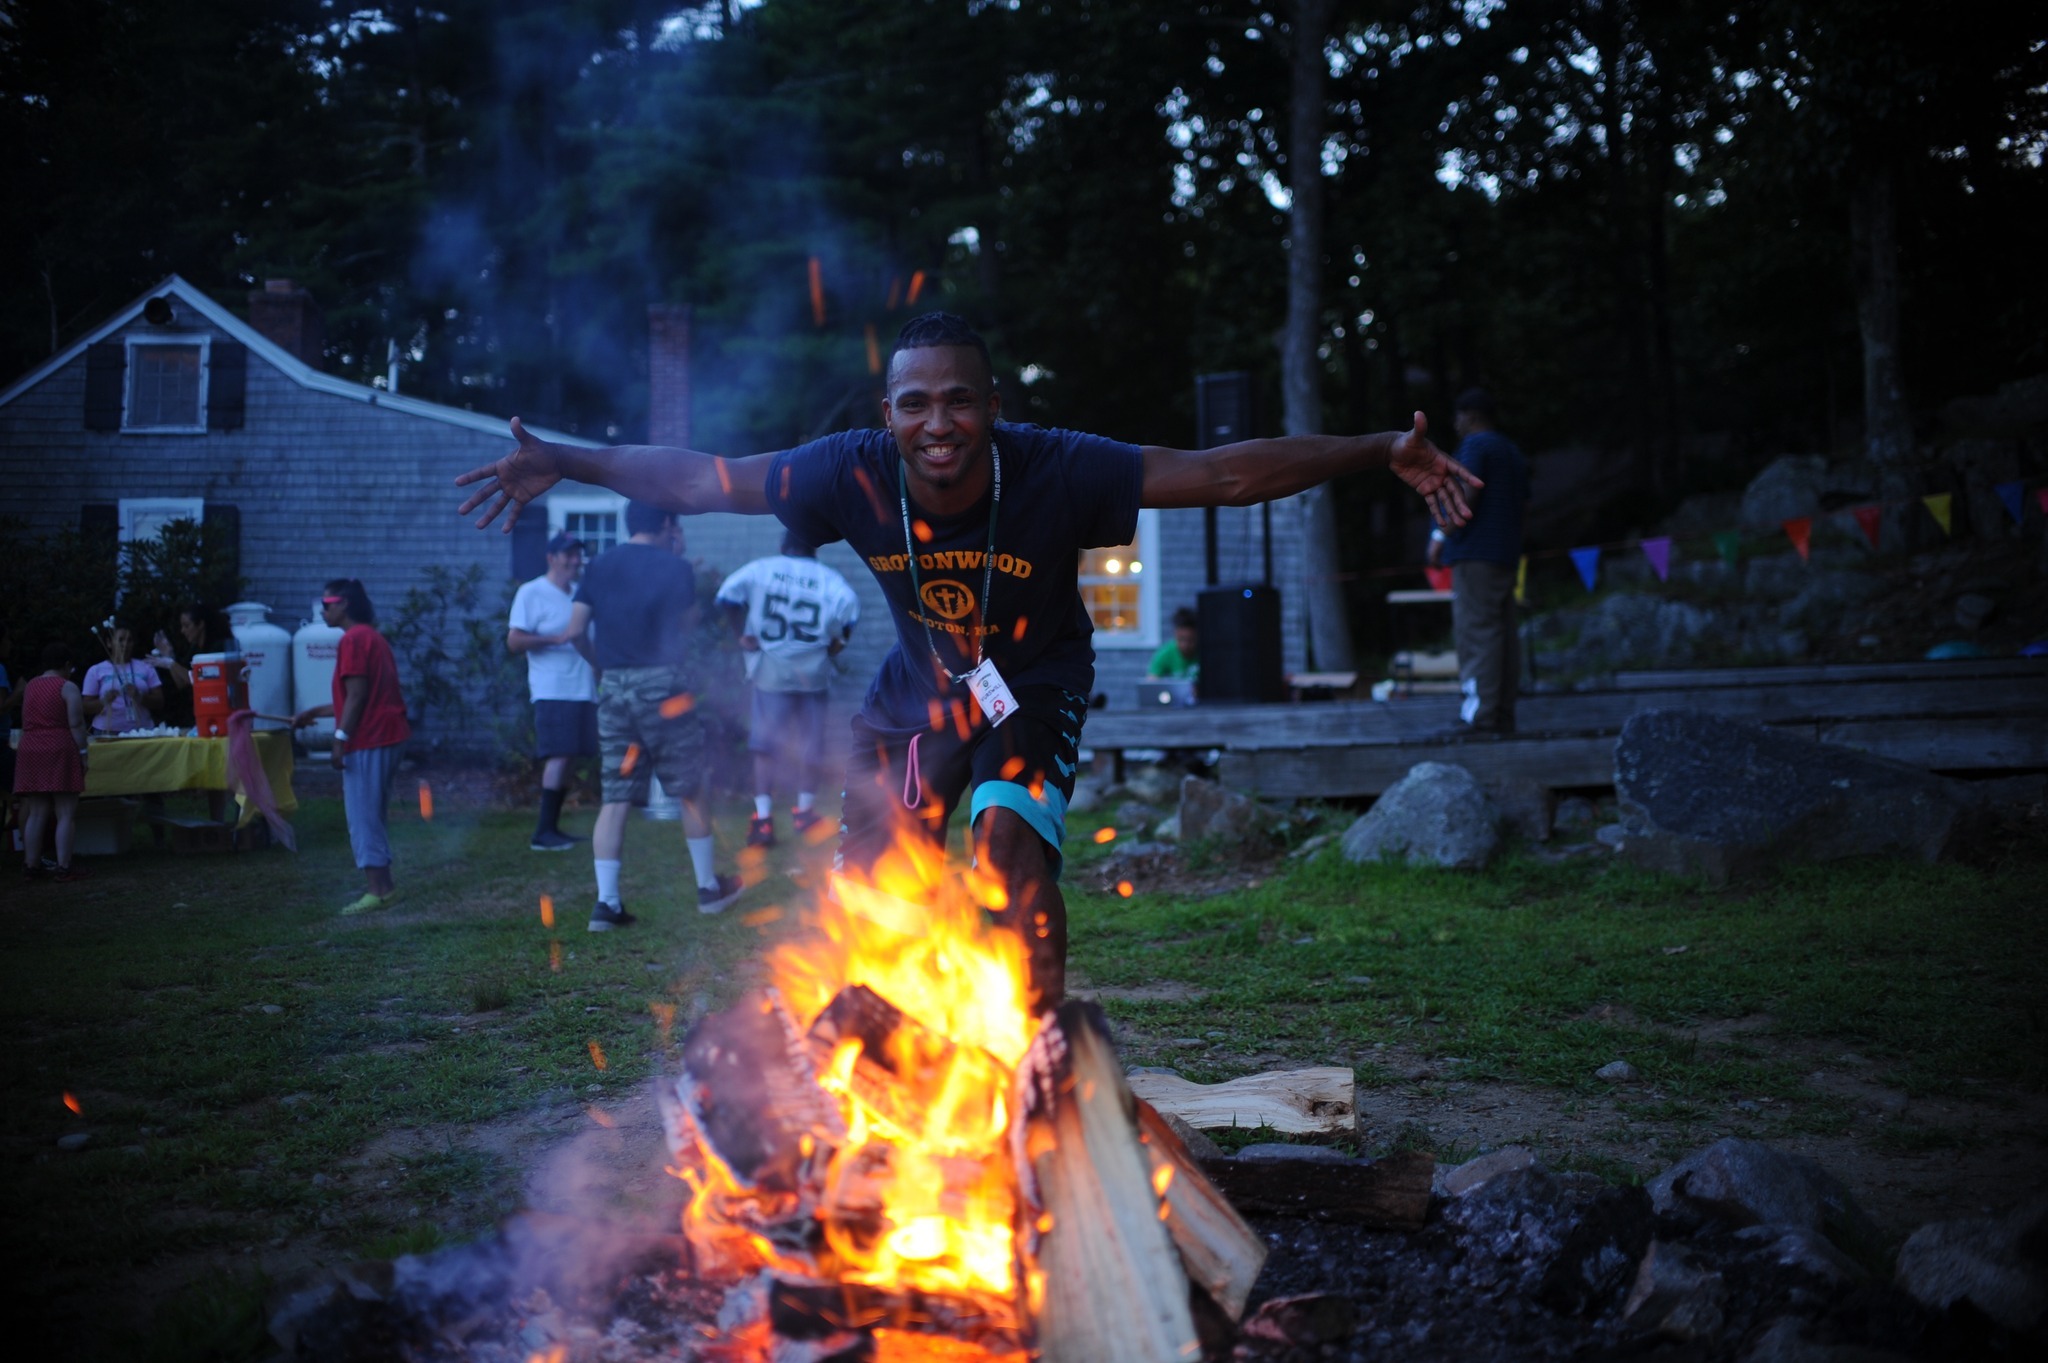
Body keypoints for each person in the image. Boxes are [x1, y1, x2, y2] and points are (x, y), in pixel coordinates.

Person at [456, 312, 1477, 1003]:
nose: (936, 422)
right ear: (886, 414)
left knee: (1005, 856)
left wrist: (1377, 447)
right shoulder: (846, 473)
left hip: (1030, 692)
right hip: (913, 701)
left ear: (990, 407)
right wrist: (564, 455)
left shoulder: (1059, 468)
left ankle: (1032, 1055)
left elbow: (1219, 473)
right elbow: (695, 479)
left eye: (958, 400)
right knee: (879, 881)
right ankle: (894, 1071)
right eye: (913, 403)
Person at [561, 502, 742, 930]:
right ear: (666, 524)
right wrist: (678, 560)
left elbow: (573, 631)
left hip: (616, 689)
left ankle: (606, 904)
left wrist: (599, 665)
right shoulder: (673, 566)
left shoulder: (599, 565)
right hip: (663, 688)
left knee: (616, 795)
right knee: (690, 786)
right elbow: (688, 624)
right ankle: (708, 889)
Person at [715, 532, 861, 847]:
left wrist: (742, 633)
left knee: (765, 746)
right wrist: (838, 643)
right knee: (811, 743)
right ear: (813, 548)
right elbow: (850, 610)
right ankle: (804, 813)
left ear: (783, 546)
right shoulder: (827, 578)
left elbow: (727, 595)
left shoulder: (762, 569)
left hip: (772, 668)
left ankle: (764, 820)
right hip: (813, 670)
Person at [291, 580, 411, 914]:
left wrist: (340, 739)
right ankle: (384, 887)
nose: (323, 609)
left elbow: (357, 696)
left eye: (327, 603)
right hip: (388, 733)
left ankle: (379, 891)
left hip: (370, 737)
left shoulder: (354, 639)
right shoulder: (371, 636)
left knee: (363, 815)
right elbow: (360, 696)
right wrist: (314, 713)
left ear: (343, 603)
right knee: (371, 813)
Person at [1426, 388, 1529, 738]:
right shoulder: (1511, 452)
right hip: (1505, 554)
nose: (1456, 424)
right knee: (1502, 636)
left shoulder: (1476, 447)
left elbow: (1464, 494)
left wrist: (1441, 536)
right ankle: (1502, 715)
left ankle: (1479, 718)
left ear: (1470, 415)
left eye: (1458, 416)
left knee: (1476, 635)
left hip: (1474, 555)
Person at [507, 532, 597, 852]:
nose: (574, 560)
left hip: (583, 688)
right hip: (553, 688)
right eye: (567, 554)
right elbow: (514, 641)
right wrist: (556, 639)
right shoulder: (532, 592)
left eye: (577, 554)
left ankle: (553, 829)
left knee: (569, 757)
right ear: (551, 558)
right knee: (558, 756)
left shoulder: (578, 594)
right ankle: (542, 832)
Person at [15, 642, 90, 882]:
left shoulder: (31, 687)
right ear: (67, 665)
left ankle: (31, 865)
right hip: (59, 747)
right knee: (65, 811)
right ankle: (64, 867)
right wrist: (83, 752)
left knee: (37, 811)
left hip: (30, 748)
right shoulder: (67, 687)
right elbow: (76, 724)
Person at [145, 604, 230, 727]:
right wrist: (170, 656)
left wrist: (170, 663)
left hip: (218, 707)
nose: (182, 631)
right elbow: (182, 682)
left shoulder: (217, 647)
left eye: (186, 625)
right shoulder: (195, 648)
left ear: (200, 624)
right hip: (200, 709)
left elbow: (198, 679)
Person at [82, 623, 162, 734]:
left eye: (129, 640)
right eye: (120, 640)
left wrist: (140, 696)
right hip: (106, 731)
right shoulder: (96, 670)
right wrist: (103, 701)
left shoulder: (146, 667)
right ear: (109, 643)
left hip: (142, 731)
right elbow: (86, 707)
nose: (125, 644)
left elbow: (160, 702)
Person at [1147, 606, 1200, 680]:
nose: (1185, 645)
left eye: (1191, 640)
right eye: (1181, 639)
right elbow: (1151, 683)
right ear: (1175, 634)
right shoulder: (1165, 654)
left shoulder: (1206, 653)